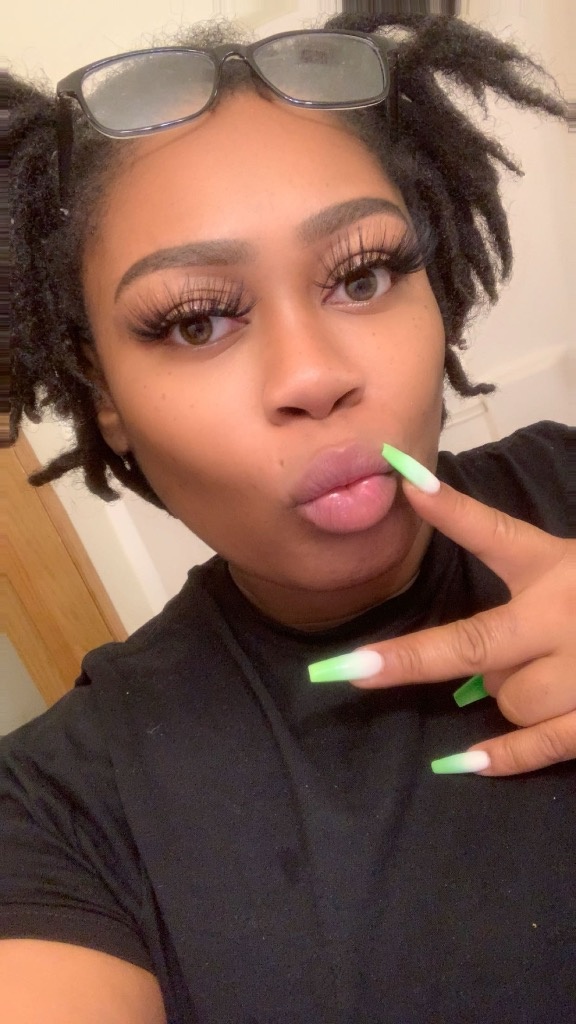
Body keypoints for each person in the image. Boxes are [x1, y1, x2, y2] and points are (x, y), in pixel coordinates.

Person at [2, 11, 574, 1023]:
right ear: (104, 399)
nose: (314, 375)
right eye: (195, 321)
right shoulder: (59, 809)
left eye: (363, 276)